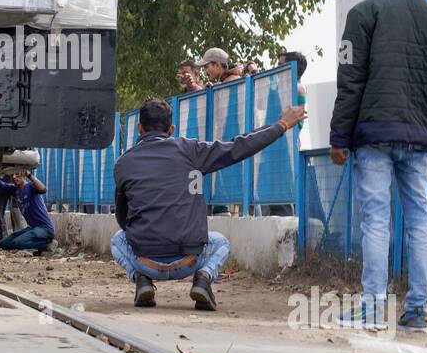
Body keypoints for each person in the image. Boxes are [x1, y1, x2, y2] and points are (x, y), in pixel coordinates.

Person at [329, 0, 427, 333]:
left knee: (376, 221)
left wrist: (339, 136)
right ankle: (416, 311)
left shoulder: (362, 14)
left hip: (374, 136)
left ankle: (371, 308)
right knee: (420, 221)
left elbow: (349, 79)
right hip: (420, 139)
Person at [111, 96, 306, 308]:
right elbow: (238, 146)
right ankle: (203, 278)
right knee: (220, 242)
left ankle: (141, 279)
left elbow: (123, 218)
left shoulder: (123, 163)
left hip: (145, 260)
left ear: (139, 127)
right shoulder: (190, 151)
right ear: (172, 129)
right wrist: (281, 125)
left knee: (118, 240)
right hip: (189, 260)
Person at [0, 170, 55, 253]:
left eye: (17, 174)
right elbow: (1, 185)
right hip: (32, 228)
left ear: (24, 176)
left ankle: (48, 244)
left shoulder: (31, 187)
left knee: (18, 242)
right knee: (4, 244)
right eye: (12, 175)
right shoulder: (15, 190)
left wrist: (29, 175)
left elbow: (43, 189)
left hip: (44, 228)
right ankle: (40, 245)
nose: (14, 177)